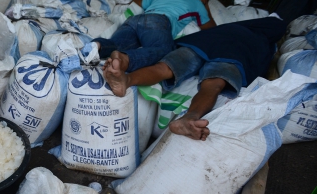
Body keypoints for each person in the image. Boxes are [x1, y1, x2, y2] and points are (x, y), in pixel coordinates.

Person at [103, 16, 287, 141]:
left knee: (164, 67)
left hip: (202, 43)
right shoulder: (262, 40)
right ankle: (189, 118)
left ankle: (127, 80)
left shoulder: (231, 26)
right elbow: (261, 68)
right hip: (236, 54)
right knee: (213, 84)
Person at [91, 0, 215, 74]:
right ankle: (126, 59)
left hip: (134, 20)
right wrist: (205, 5)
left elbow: (136, 1)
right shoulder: (197, 4)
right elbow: (212, 29)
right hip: (157, 22)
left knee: (116, 45)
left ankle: (98, 46)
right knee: (164, 51)